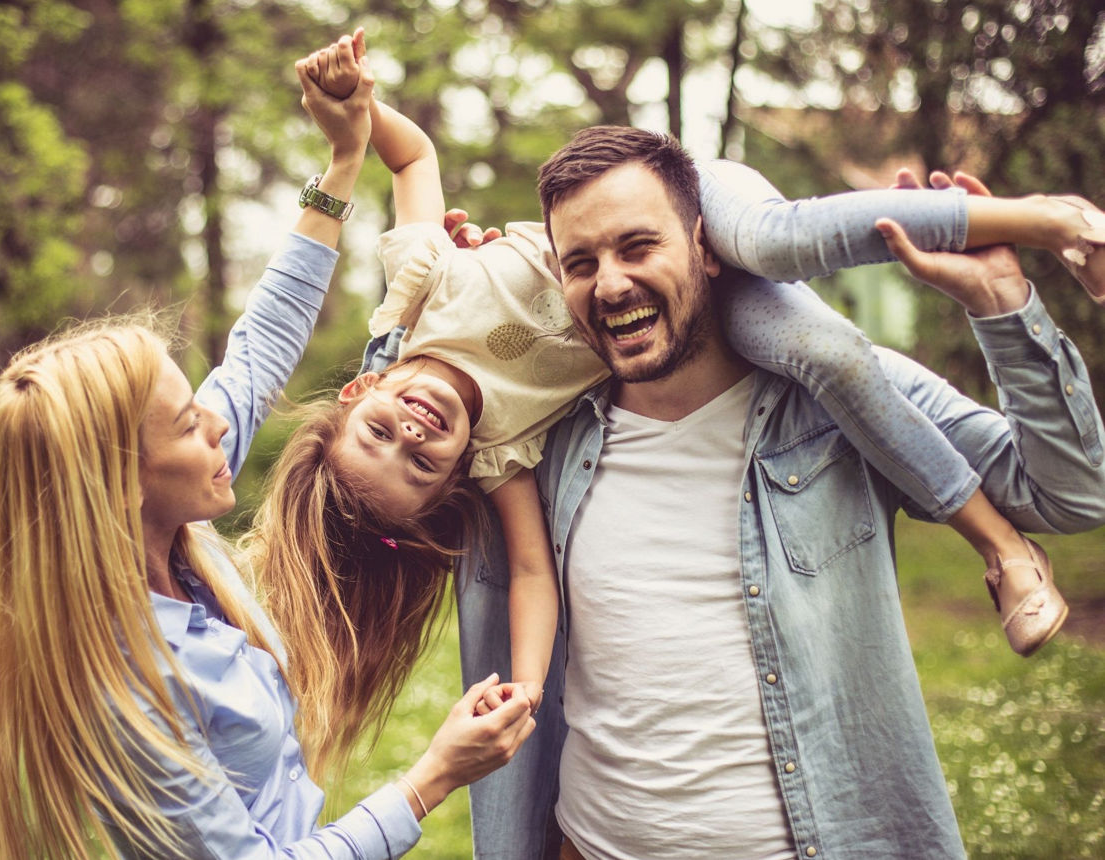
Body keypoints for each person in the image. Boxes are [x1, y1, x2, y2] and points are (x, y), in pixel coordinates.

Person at [284, 30, 1104, 722]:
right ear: (455, 475)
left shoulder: (417, 292)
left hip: (667, 191)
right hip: (666, 280)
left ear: (360, 392)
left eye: (381, 432)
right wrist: (527, 687)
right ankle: (1000, 548)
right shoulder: (509, 450)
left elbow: (413, 155)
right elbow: (532, 574)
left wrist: (353, 115)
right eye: (421, 462)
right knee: (828, 355)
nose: (414, 434)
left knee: (777, 240)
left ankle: (1047, 217)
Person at [439, 129, 1105, 858]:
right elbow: (383, 458)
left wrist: (1002, 305)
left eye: (637, 247)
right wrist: (441, 310)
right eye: (581, 263)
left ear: (707, 246)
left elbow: (1071, 496)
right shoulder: (548, 437)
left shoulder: (848, 403)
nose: (610, 284)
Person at [0, 40, 534, 860]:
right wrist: (432, 778)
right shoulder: (128, 688)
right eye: (186, 424)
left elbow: (263, 340)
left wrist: (343, 158)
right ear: (115, 487)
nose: (218, 425)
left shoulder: (172, 535)